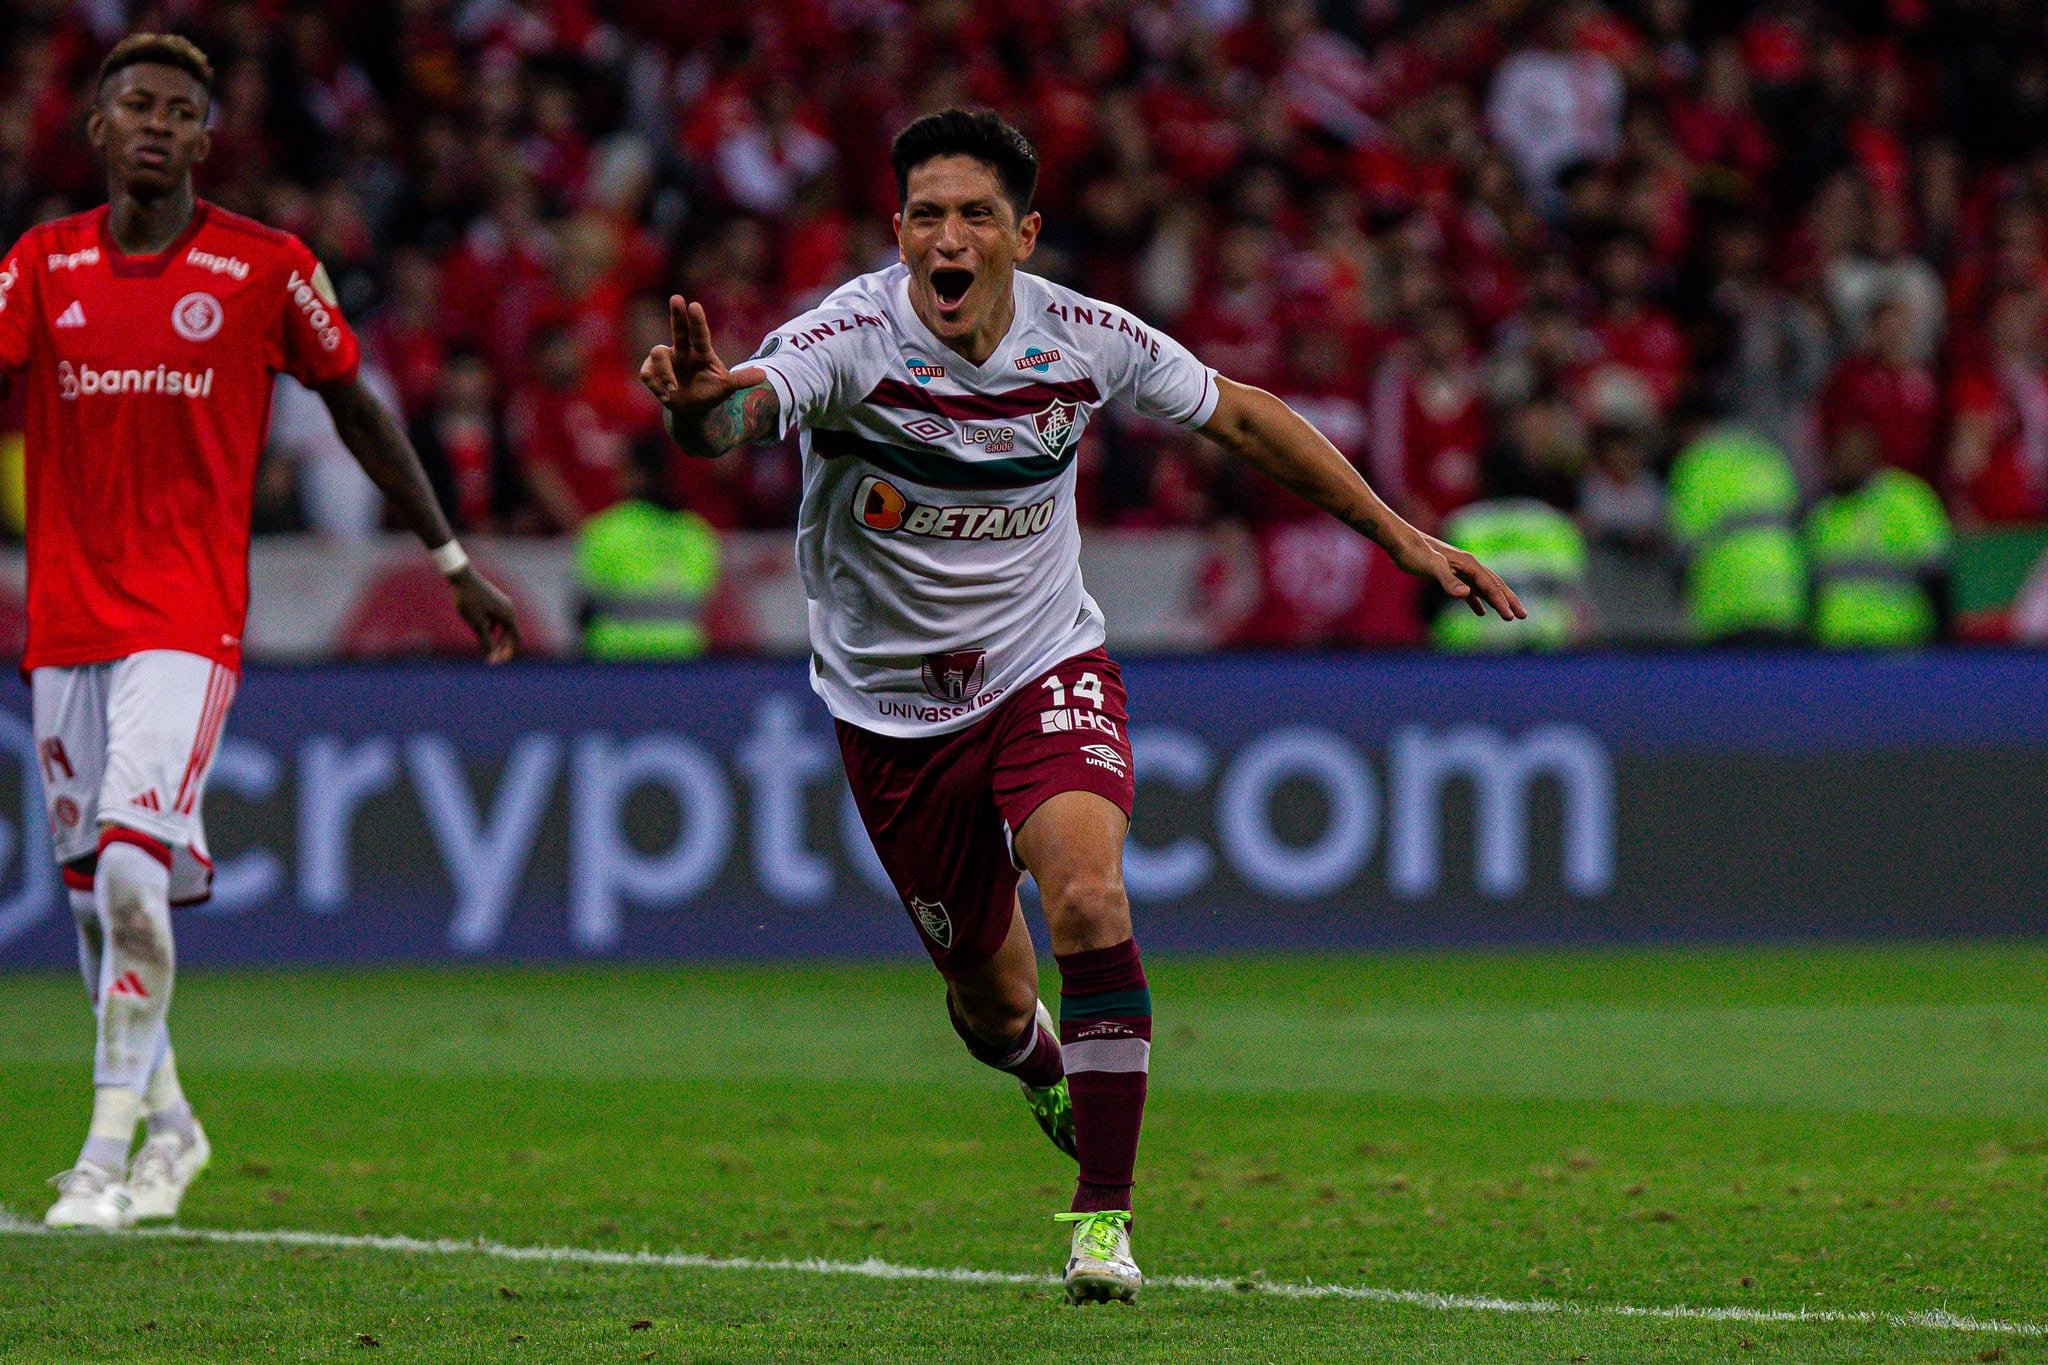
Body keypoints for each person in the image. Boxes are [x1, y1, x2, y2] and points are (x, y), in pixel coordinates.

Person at [638, 109, 1523, 1303]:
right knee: (990, 1004)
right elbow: (741, 409)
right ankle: (1042, 1068)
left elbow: (1241, 414)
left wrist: (1403, 537)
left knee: (1090, 895)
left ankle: (1102, 1220)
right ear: (898, 232)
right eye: (925, 216)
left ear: (1022, 234)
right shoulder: (847, 337)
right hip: (892, 716)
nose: (947, 239)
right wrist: (701, 408)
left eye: (975, 215)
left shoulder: (1082, 338)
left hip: (1043, 665)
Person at [0, 34, 520, 1231]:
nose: (156, 123)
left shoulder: (264, 267)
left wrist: (450, 560)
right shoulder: (40, 263)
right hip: (65, 622)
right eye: (135, 104)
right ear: (96, 126)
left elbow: (355, 409)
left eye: (179, 110)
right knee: (89, 903)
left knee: (128, 869)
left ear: (205, 136)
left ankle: (100, 1160)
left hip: (185, 623)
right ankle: (172, 1128)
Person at [1803, 425, 1951, 648]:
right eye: (1840, 454)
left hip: (1901, 643)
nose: (1845, 462)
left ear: (1873, 454)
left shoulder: (1907, 501)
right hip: (1836, 647)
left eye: (1853, 453)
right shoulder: (1824, 513)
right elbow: (1812, 589)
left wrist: (1941, 642)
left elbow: (1938, 580)